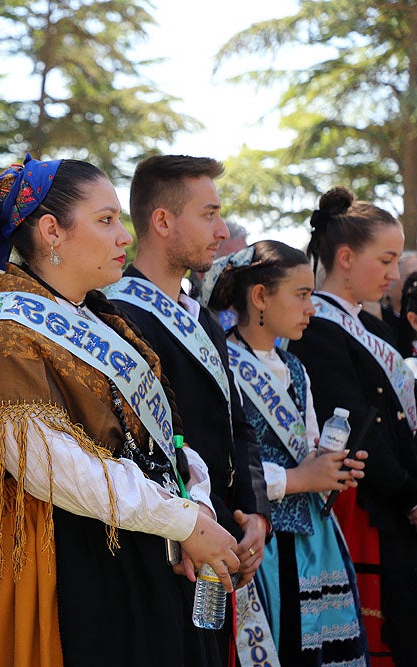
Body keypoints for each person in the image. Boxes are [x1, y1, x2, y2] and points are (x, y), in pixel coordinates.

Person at [0, 155, 238, 666]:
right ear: (52, 231)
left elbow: (169, 439)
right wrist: (184, 519)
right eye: (106, 221)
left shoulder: (107, 321)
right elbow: (56, 469)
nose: (124, 236)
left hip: (153, 549)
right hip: (76, 570)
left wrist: (201, 505)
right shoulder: (0, 336)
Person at [106, 154, 271, 662]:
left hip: (222, 539)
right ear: (162, 221)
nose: (221, 230)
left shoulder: (203, 318)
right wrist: (184, 529)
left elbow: (234, 423)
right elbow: (129, 444)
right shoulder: (114, 315)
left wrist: (256, 514)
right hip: (163, 547)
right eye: (209, 214)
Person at [203, 241, 368, 665]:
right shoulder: (222, 362)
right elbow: (225, 460)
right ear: (260, 296)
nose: (310, 308)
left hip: (312, 542)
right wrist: (299, 479)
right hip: (263, 540)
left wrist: (331, 467)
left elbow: (308, 444)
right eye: (301, 295)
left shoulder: (295, 367)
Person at [287, 186, 417, 666]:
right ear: (345, 257)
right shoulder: (317, 327)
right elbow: (358, 421)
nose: (392, 274)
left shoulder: (376, 328)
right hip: (369, 508)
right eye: (385, 260)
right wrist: (408, 495)